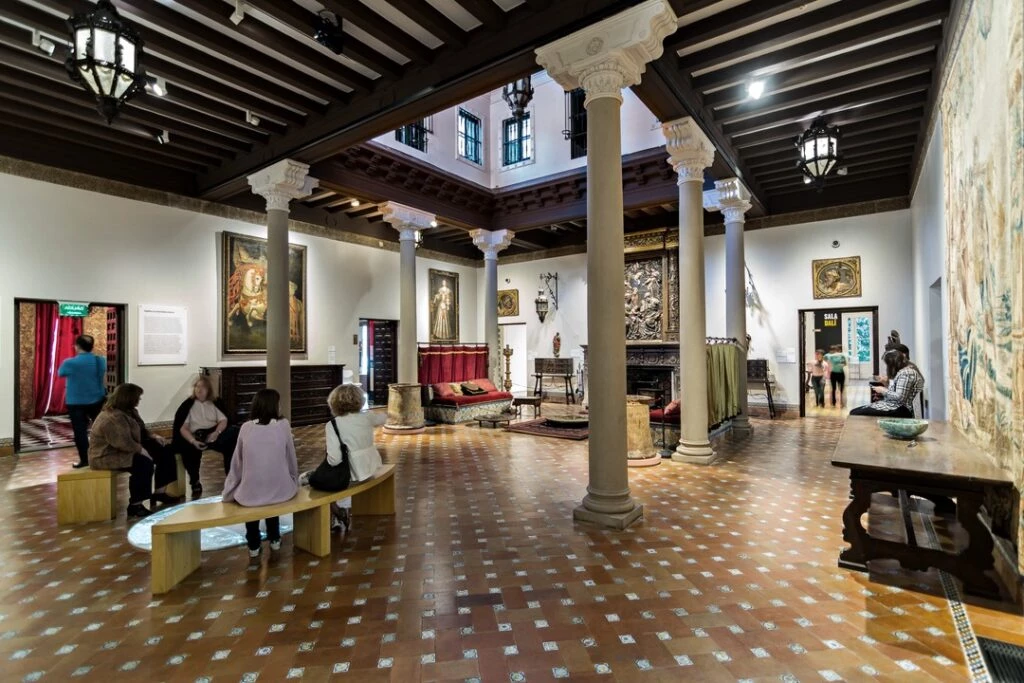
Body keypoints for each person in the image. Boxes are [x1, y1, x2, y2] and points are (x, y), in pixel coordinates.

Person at [222, 389, 299, 559]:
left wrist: (229, 489)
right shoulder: (283, 425)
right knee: (273, 489)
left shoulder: (246, 428)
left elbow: (237, 462)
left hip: (252, 489)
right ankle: (274, 537)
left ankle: (253, 543)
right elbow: (291, 456)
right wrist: (294, 479)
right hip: (279, 488)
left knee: (252, 496)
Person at [303, 384, 386, 533]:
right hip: (371, 468)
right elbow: (382, 418)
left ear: (334, 402)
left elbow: (335, 460)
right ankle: (340, 510)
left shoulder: (333, 424)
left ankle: (337, 512)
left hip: (351, 474)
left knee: (307, 480)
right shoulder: (367, 417)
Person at [88, 383, 179, 518]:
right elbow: (123, 443)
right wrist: (142, 451)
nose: (139, 399)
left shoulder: (130, 412)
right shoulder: (112, 417)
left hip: (126, 448)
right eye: (138, 397)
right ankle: (135, 505)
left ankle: (160, 492)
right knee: (143, 463)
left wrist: (153, 436)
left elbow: (141, 429)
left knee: (166, 450)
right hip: (107, 455)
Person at [172, 376, 240, 498]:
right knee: (189, 449)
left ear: (209, 389)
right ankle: (195, 481)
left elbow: (224, 420)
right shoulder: (188, 405)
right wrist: (193, 441)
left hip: (214, 433)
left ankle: (232, 478)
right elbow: (182, 428)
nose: (199, 390)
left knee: (232, 438)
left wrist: (216, 433)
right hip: (195, 436)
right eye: (197, 387)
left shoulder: (216, 402)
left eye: (203, 387)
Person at [58, 334, 107, 468]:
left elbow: (60, 373)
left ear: (77, 346)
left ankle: (85, 460)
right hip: (97, 400)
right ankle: (102, 456)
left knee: (80, 432)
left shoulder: (69, 363)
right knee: (101, 430)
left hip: (75, 402)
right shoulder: (100, 360)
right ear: (92, 346)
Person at [850, 344, 924, 417]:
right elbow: (897, 392)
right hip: (895, 405)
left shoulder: (907, 373)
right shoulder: (904, 372)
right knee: (855, 412)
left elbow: (900, 397)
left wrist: (883, 390)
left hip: (900, 408)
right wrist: (885, 383)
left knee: (855, 413)